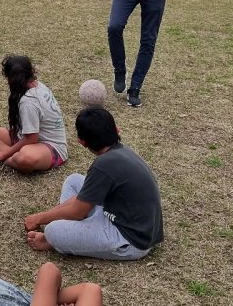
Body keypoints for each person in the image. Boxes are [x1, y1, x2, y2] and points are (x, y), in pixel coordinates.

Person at [24, 107, 163, 260]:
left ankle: (60, 238)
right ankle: (76, 231)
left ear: (82, 142)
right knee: (73, 181)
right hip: (127, 219)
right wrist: (47, 215)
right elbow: (81, 201)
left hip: (131, 240)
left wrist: (40, 218)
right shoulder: (121, 153)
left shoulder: (103, 165)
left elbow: (78, 211)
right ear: (117, 130)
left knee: (52, 231)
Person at [0, 55, 68, 174]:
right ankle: (11, 155)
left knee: (25, 158)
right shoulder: (38, 85)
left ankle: (7, 159)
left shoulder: (29, 101)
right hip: (23, 136)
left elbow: (31, 138)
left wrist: (3, 155)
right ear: (31, 72)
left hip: (50, 147)